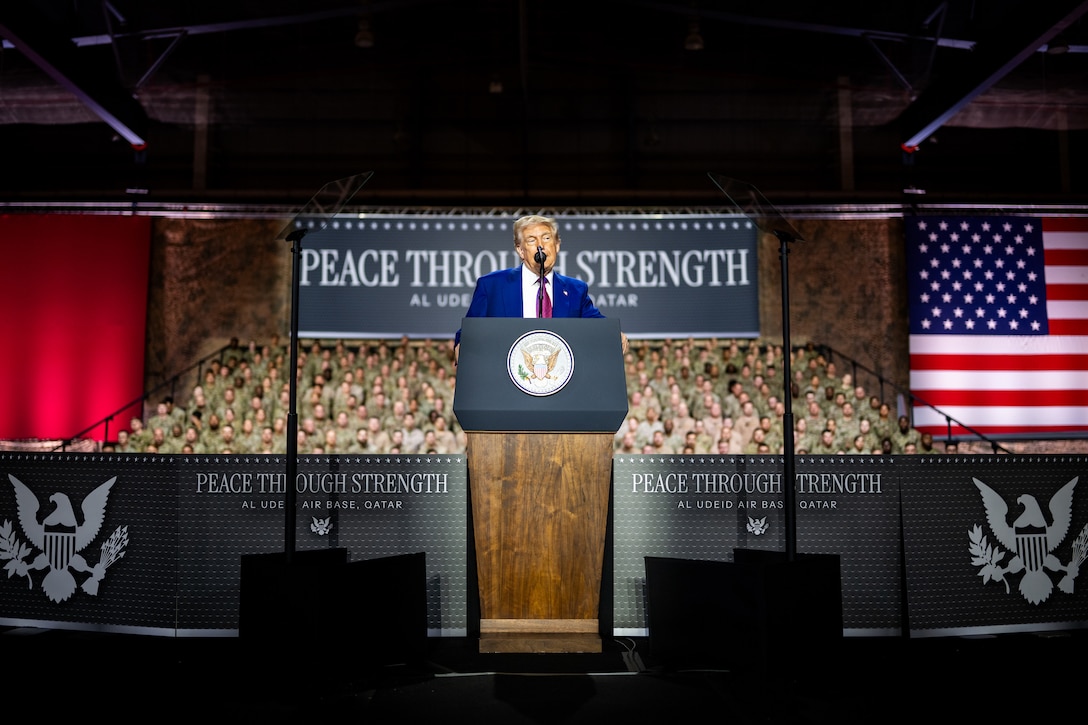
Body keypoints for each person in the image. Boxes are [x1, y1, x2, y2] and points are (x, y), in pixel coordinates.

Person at [453, 214, 628, 359]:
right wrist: (462, 346)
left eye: (546, 238)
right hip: (505, 384)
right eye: (531, 240)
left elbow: (595, 323)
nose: (540, 245)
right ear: (521, 250)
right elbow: (470, 330)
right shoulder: (491, 286)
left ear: (557, 245)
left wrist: (612, 334)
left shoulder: (576, 290)